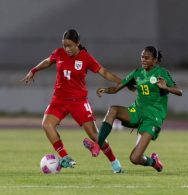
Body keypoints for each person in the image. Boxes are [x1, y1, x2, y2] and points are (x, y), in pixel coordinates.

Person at [22, 29, 123, 173]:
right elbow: (47, 61)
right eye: (64, 45)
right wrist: (33, 70)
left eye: (70, 45)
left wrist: (123, 82)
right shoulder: (59, 53)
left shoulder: (85, 58)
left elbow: (104, 72)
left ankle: (115, 163)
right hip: (59, 99)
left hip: (79, 101)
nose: (67, 49)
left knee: (95, 135)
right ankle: (65, 157)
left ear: (78, 43)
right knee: (47, 124)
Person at [95, 46, 183, 172]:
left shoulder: (161, 72)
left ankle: (154, 162)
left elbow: (179, 91)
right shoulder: (137, 73)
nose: (143, 60)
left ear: (154, 60)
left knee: (135, 158)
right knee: (113, 109)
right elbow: (118, 87)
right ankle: (98, 144)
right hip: (137, 111)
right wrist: (106, 90)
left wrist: (166, 87)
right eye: (142, 57)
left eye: (147, 57)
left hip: (153, 117)